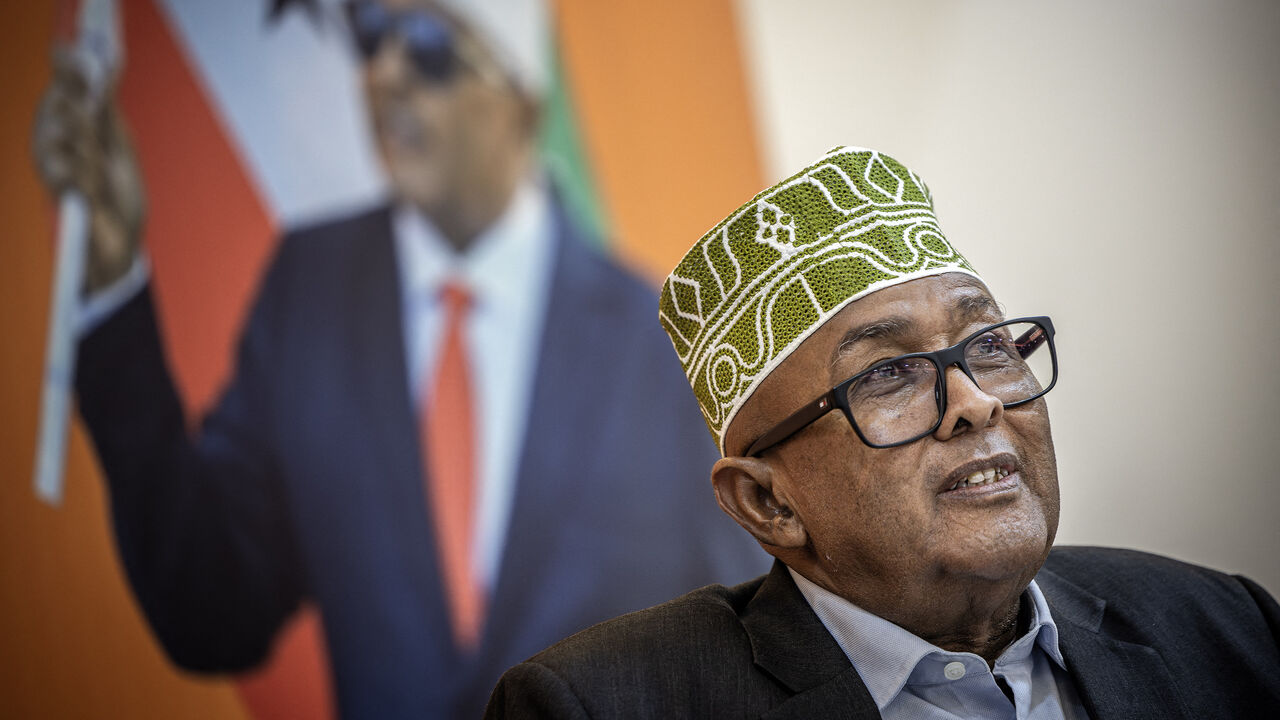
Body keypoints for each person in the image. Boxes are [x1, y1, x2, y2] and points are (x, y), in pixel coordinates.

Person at [32, 0, 764, 717]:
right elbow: (210, 604)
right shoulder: (307, 294)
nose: (383, 73)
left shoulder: (663, 341)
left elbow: (746, 651)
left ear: (521, 96)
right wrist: (110, 283)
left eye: (427, 42)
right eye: (370, 36)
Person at [484, 146, 1280, 718]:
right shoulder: (600, 704)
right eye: (888, 374)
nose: (974, 402)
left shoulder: (1224, 625)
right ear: (768, 505)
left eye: (991, 346)